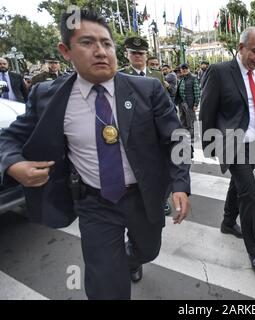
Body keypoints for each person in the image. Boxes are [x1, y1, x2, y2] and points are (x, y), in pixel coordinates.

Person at [0, 9, 190, 300]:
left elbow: (176, 138)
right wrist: (14, 164)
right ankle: (113, 269)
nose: (101, 52)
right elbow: (9, 138)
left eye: (107, 43)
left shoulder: (147, 89)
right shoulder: (48, 96)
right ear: (66, 51)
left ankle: (132, 258)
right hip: (94, 204)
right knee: (106, 284)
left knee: (148, 251)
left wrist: (180, 185)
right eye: (87, 43)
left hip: (143, 197)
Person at [200, 27, 255, 275]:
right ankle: (254, 250)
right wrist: (209, 145)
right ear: (241, 47)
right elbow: (207, 111)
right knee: (249, 193)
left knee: (239, 184)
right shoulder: (219, 72)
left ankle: (227, 221)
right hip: (232, 143)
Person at [122, 37, 172, 215]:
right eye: (133, 53)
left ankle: (162, 198)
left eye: (140, 53)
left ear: (146, 55)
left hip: (156, 128)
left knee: (160, 165)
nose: (137, 56)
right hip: (134, 130)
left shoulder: (157, 75)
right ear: (127, 54)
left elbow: (165, 102)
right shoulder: (121, 75)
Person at [175, 63, 200, 142]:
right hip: (181, 102)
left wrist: (196, 104)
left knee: (192, 120)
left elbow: (197, 92)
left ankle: (194, 137)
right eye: (182, 68)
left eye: (186, 68)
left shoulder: (193, 78)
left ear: (189, 69)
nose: (184, 69)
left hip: (189, 103)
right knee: (183, 120)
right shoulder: (182, 78)